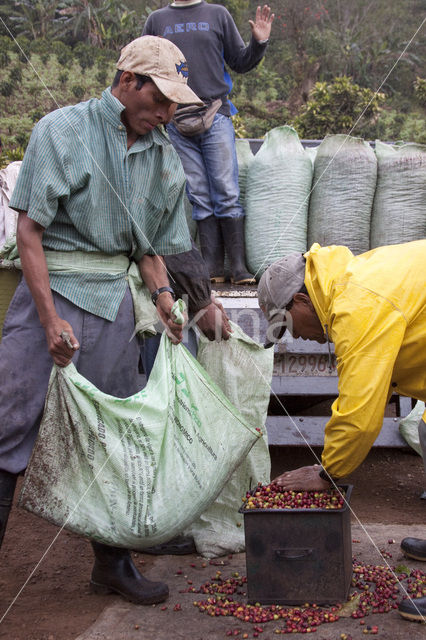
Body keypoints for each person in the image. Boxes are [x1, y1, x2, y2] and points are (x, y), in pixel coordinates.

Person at [0, 35, 208, 606]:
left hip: (116, 303)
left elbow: (147, 249)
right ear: (127, 82)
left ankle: (111, 567)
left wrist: (164, 295)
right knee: (7, 428)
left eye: (173, 103)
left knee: (111, 435)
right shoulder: (61, 130)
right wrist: (47, 321)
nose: (167, 113)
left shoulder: (161, 152)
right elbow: (29, 234)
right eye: (159, 98)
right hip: (54, 292)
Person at [258, 240, 426, 622]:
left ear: (301, 300)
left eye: (286, 324)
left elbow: (359, 412)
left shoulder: (356, 304)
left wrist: (327, 473)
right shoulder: (343, 285)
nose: (293, 337)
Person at [143, 1, 274, 285]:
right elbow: (144, 68)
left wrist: (259, 42)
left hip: (214, 114)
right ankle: (212, 267)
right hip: (175, 119)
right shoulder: (157, 20)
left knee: (226, 191)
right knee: (199, 195)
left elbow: (240, 61)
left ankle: (238, 268)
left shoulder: (217, 15)